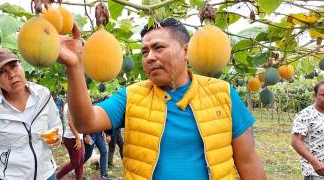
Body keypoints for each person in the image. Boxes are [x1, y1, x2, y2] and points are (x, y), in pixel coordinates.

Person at [58, 19, 266, 179]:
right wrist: (74, 66)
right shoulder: (131, 96)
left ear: (186, 51)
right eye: (145, 51)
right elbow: (85, 122)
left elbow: (247, 161)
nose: (149, 57)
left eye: (158, 48)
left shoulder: (223, 93)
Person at [0, 48, 62, 180]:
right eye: (2, 72)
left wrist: (57, 136)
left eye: (14, 66)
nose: (12, 75)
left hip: (47, 174)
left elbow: (56, 125)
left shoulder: (43, 95)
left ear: (21, 65)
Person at [292, 81, 324, 179]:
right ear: (314, 96)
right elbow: (296, 142)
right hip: (316, 172)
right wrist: (315, 163)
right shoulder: (305, 115)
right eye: (323, 95)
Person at [56, 103, 84, 180]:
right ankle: (56, 177)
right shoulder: (71, 104)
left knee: (80, 162)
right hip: (72, 138)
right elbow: (71, 123)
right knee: (76, 162)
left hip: (76, 136)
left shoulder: (70, 103)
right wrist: (77, 138)